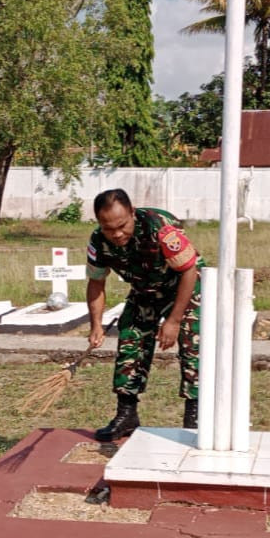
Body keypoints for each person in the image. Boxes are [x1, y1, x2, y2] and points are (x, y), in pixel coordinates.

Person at [85, 188, 203, 443]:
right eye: (108, 228)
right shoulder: (98, 241)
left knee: (192, 342)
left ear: (132, 212)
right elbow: (96, 283)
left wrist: (173, 320)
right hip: (145, 288)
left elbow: (189, 270)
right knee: (130, 338)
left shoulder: (159, 228)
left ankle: (195, 415)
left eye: (121, 226)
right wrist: (96, 325)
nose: (116, 234)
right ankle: (127, 414)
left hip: (183, 286)